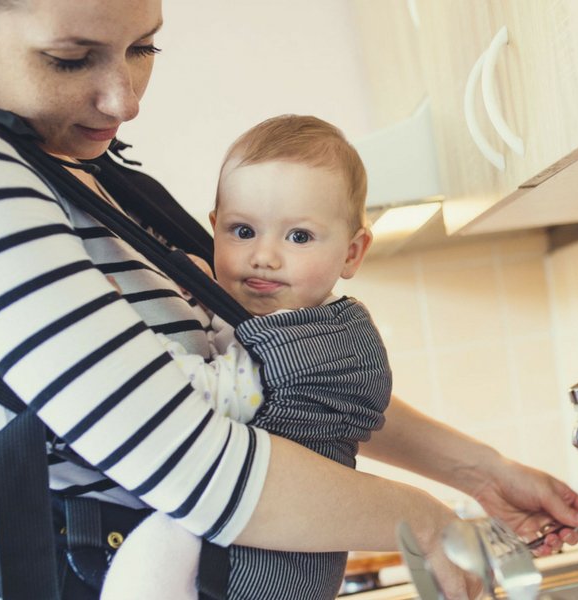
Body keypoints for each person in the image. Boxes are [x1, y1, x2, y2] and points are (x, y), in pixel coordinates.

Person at [0, 1, 578, 599]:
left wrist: (479, 472)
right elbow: (191, 463)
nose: (123, 99)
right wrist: (429, 524)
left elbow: (276, 381)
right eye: (70, 58)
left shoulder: (95, 178)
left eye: (142, 47)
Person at [103, 113, 391, 600]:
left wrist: (117, 329)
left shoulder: (323, 343)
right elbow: (228, 344)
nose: (264, 256)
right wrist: (198, 295)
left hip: (271, 566)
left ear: (352, 253)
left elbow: (208, 396)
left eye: (298, 236)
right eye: (241, 232)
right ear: (213, 228)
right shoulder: (268, 318)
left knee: (159, 540)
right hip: (264, 541)